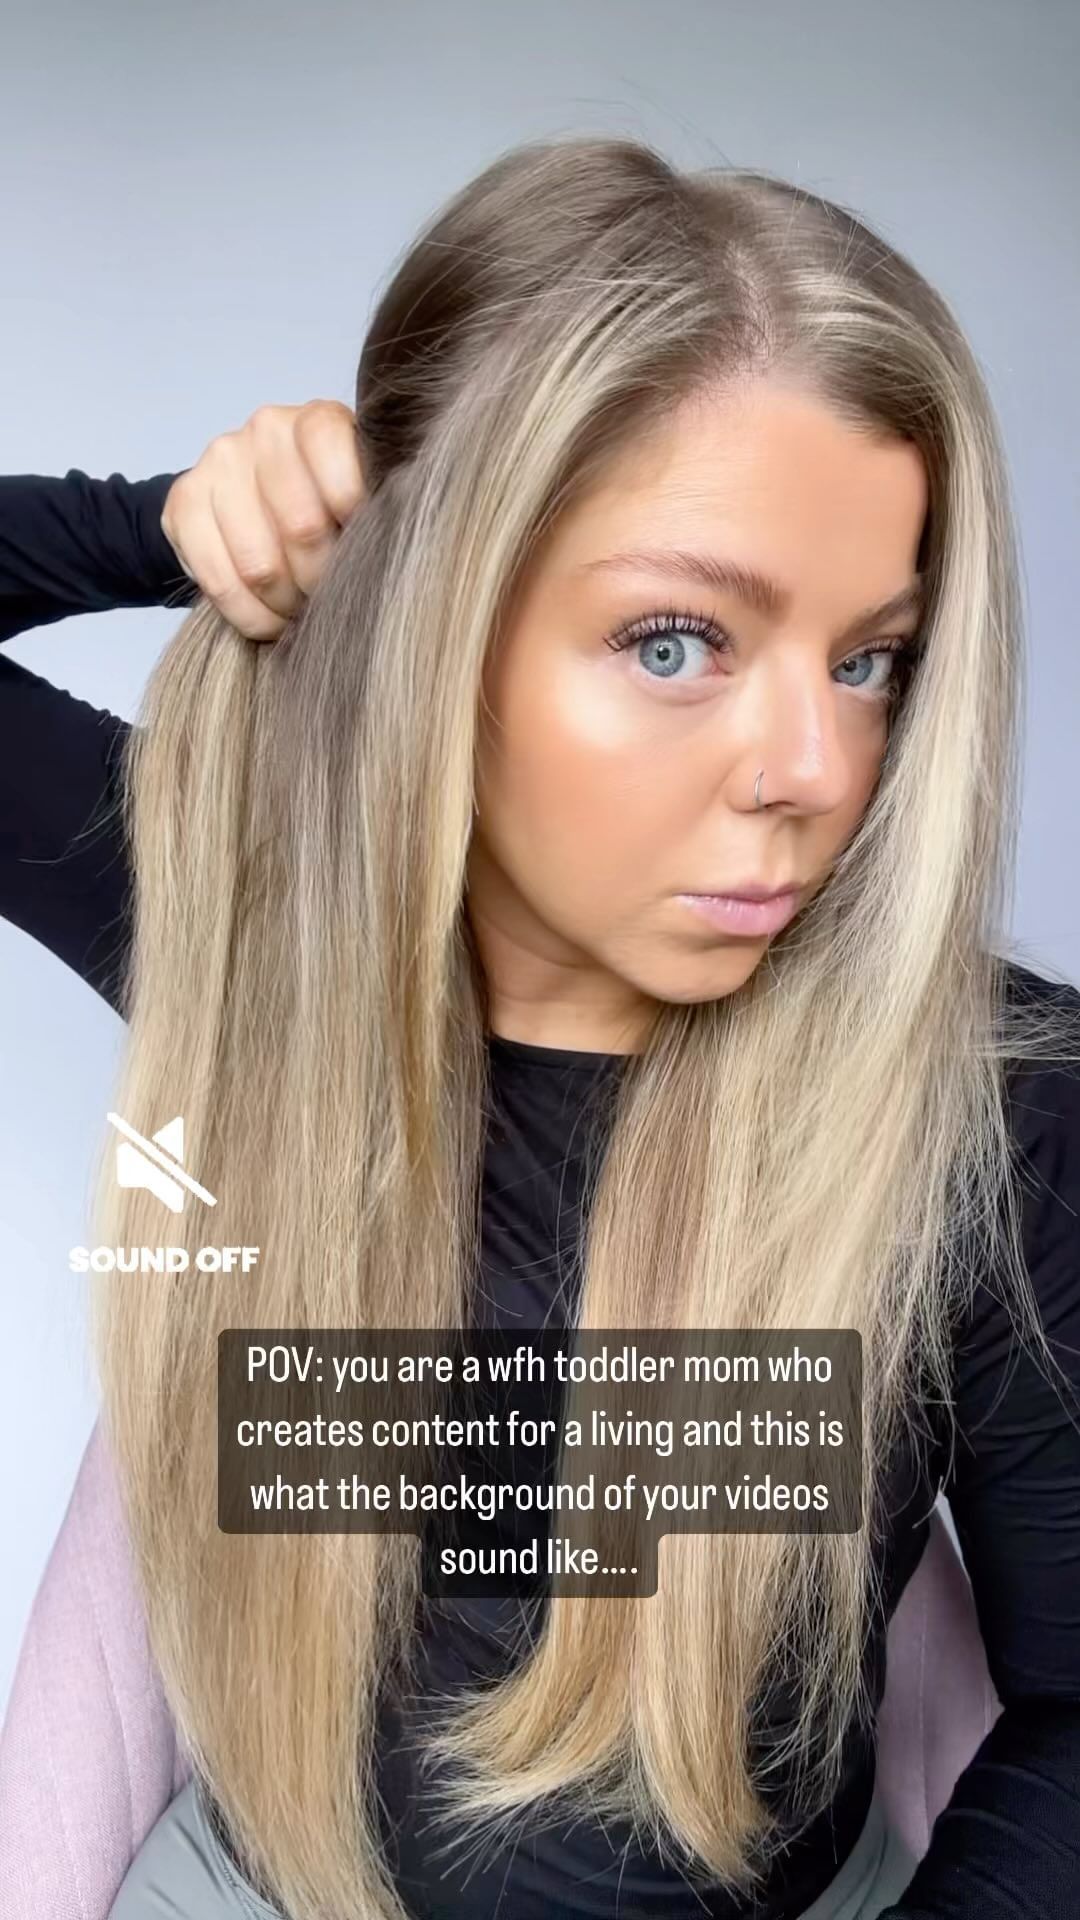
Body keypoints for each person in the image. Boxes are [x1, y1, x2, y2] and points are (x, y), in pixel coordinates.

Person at [2, 133, 1080, 1920]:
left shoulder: (987, 1096)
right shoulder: (253, 953)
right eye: (677, 641)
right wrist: (172, 517)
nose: (816, 771)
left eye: (868, 659)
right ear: (443, 624)